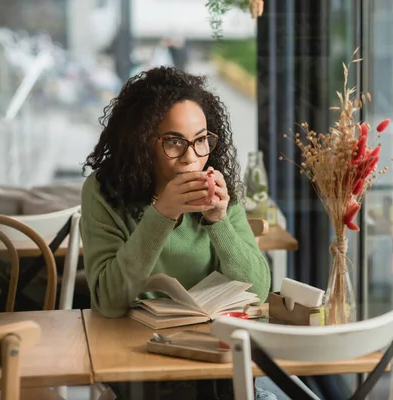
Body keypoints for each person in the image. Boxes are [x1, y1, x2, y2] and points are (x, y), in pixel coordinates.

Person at [81, 66, 272, 399]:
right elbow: (109, 302)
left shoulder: (218, 183)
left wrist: (219, 221)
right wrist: (162, 214)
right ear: (142, 143)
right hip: (138, 362)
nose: (190, 159)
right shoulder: (105, 191)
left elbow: (259, 289)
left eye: (200, 141)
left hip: (216, 359)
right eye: (174, 142)